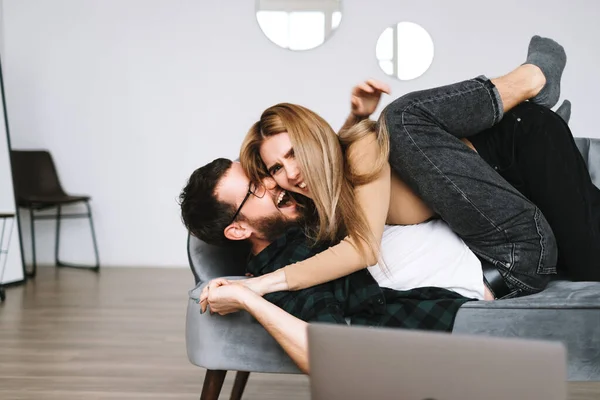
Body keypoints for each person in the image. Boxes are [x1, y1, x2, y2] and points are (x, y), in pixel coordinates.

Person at [200, 35, 599, 307]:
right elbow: (334, 164)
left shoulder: (358, 153)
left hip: (514, 148)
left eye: (293, 153)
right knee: (587, 264)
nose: (291, 172)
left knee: (399, 119)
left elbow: (362, 245)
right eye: (275, 167)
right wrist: (356, 118)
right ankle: (543, 123)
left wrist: (257, 286)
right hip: (503, 185)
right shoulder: (329, 192)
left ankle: (534, 79)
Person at [179, 159, 475, 374]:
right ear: (239, 231)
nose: (271, 182)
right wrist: (247, 297)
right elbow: (329, 353)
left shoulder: (303, 218)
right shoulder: (289, 262)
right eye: (254, 188)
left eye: (260, 173)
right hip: (487, 289)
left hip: (478, 240)